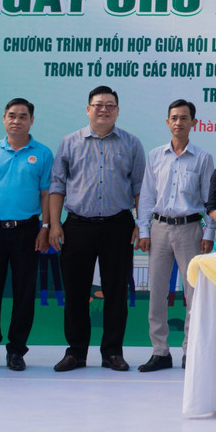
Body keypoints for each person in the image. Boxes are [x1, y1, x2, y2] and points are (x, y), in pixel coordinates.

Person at [48, 85, 146, 373]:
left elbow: (140, 187)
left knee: (116, 291)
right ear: (88, 109)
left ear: (117, 110)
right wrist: (54, 224)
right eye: (99, 104)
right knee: (76, 292)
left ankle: (112, 352)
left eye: (110, 105)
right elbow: (57, 185)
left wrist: (141, 224)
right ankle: (76, 352)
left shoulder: (131, 143)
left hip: (118, 225)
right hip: (78, 225)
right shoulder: (69, 142)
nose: (104, 109)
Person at [0, 97, 54, 372]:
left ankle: (16, 350)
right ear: (4, 118)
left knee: (24, 293)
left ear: (31, 120)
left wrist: (45, 227)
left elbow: (46, 194)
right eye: (12, 115)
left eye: (23, 116)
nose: (17, 121)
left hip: (27, 230)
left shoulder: (42, 153)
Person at [135, 99, 214, 373]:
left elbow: (209, 200)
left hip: (190, 229)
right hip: (159, 228)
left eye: (184, 118)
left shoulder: (203, 158)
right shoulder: (156, 155)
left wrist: (209, 233)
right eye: (174, 118)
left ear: (194, 123)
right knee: (157, 292)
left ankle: (190, 351)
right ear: (167, 122)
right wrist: (144, 230)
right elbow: (147, 196)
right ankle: (160, 351)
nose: (179, 122)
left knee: (193, 293)